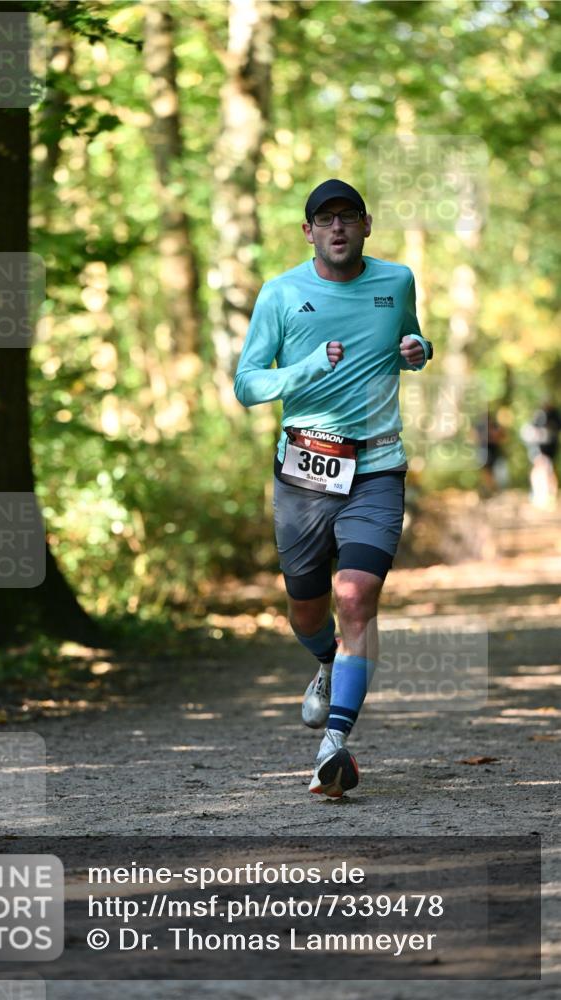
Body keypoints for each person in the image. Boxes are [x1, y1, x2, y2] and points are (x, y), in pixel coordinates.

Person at [234, 179, 432, 798]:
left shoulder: (396, 280)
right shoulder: (282, 293)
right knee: (307, 608)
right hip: (304, 473)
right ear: (309, 231)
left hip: (377, 465)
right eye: (326, 220)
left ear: (367, 225)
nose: (338, 228)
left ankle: (335, 745)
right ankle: (325, 663)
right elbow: (246, 385)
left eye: (349, 218)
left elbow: (411, 341)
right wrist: (307, 367)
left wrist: (418, 349)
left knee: (356, 596)